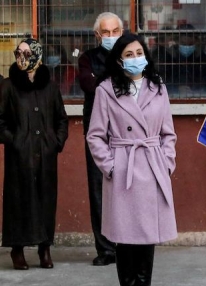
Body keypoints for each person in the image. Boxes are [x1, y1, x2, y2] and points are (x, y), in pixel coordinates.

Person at [86, 33, 177, 286]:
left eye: (140, 52)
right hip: (124, 168)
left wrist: (166, 162)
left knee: (147, 236)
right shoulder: (106, 91)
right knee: (126, 238)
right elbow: (95, 136)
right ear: (119, 59)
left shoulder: (157, 88)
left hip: (151, 166)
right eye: (129, 54)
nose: (136, 58)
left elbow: (168, 133)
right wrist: (111, 166)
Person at [0, 38, 69, 270]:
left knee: (45, 200)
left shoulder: (50, 87)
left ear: (37, 55)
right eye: (18, 52)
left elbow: (61, 118)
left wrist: (56, 143)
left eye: (27, 52)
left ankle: (44, 248)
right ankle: (17, 249)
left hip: (46, 156)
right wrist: (15, 142)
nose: (21, 56)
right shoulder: (8, 86)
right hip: (19, 156)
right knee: (18, 201)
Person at [79, 12, 124, 266]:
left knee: (126, 186)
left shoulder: (131, 55)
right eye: (105, 33)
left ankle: (127, 244)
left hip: (127, 132)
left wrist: (103, 82)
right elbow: (89, 86)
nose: (110, 36)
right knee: (98, 189)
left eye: (115, 31)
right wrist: (117, 83)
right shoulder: (87, 58)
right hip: (97, 132)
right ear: (98, 35)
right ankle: (105, 249)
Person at [159, 23, 206, 96]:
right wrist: (177, 88)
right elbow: (161, 83)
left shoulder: (205, 60)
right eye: (183, 44)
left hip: (199, 99)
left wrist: (195, 91)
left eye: (190, 44)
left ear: (196, 41)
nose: (187, 47)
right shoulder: (167, 59)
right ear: (176, 41)